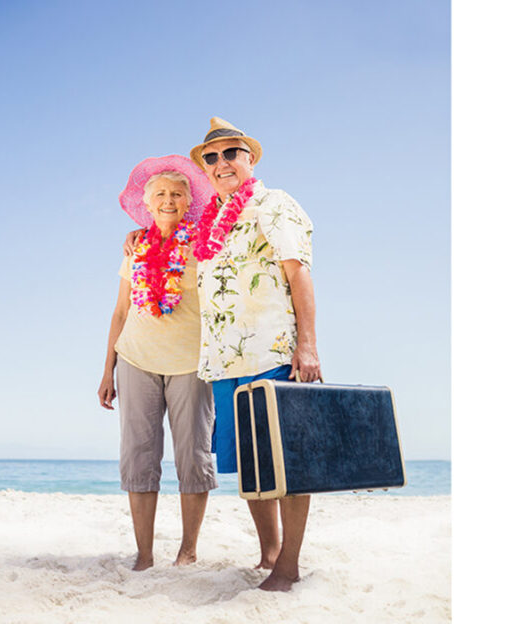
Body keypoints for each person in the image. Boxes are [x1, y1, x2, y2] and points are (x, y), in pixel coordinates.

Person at [124, 118, 321, 591]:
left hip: (272, 350)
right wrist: (134, 237)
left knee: (285, 463)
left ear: (250, 159)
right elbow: (165, 235)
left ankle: (289, 566)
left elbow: (299, 274)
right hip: (225, 361)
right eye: (211, 158)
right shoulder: (209, 218)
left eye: (231, 153)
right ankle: (269, 553)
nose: (220, 163)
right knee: (253, 468)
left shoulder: (274, 204)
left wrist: (308, 344)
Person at [98, 155, 218, 571]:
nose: (168, 200)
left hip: (190, 362)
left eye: (177, 194)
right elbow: (119, 313)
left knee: (193, 455)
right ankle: (145, 554)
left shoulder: (205, 245)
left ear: (189, 202)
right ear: (147, 205)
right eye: (160, 194)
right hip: (135, 360)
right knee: (139, 455)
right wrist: (107, 369)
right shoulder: (135, 246)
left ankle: (188, 550)